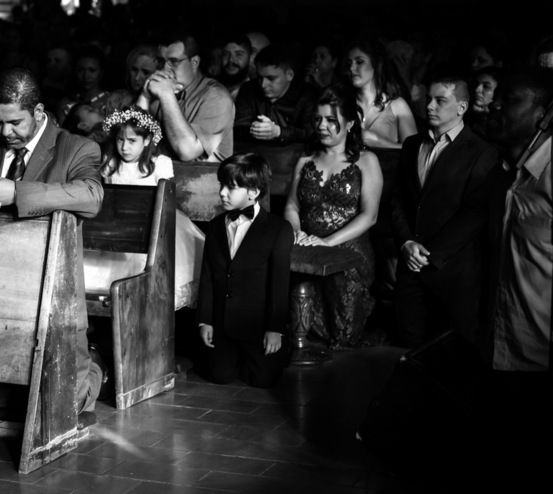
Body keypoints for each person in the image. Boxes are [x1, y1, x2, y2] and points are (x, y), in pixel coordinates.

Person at [0, 68, 105, 426]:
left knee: (62, 403)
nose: (4, 132)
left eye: (14, 123)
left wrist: (15, 193)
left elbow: (91, 196)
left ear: (38, 112)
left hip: (50, 289)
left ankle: (95, 367)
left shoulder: (76, 147)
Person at [390, 72, 498, 347]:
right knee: (408, 350)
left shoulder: (482, 152)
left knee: (453, 355)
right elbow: (398, 199)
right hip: (410, 267)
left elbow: (475, 213)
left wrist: (430, 255)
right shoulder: (412, 144)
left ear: (462, 107)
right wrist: (406, 243)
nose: (429, 106)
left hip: (455, 273)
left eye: (440, 101)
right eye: (429, 99)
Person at [284, 87, 383, 347]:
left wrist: (328, 242)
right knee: (297, 322)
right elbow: (292, 205)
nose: (321, 126)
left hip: (350, 254)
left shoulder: (366, 161)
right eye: (318, 119)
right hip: (307, 249)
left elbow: (370, 216)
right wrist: (296, 232)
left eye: (330, 120)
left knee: (343, 334)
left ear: (350, 123)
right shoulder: (305, 160)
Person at [83, 109, 205, 311]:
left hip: (152, 225)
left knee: (146, 263)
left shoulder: (159, 164)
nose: (124, 147)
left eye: (132, 141)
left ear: (147, 140)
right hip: (118, 227)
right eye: (120, 140)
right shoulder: (111, 164)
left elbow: (167, 200)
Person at [197, 153, 293, 388]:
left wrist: (275, 329)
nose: (222, 192)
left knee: (263, 381)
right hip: (222, 324)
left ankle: (274, 353)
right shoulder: (215, 226)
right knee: (218, 376)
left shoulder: (278, 229)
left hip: (257, 326)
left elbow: (279, 283)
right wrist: (205, 321)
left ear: (253, 192)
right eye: (221, 185)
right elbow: (207, 277)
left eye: (231, 187)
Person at [482, 67, 553, 378]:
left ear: (544, 115)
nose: (493, 105)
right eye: (495, 97)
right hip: (500, 349)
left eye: (509, 99)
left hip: (541, 359)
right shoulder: (503, 174)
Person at [137, 31, 235, 162]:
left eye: (174, 61)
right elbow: (133, 142)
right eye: (161, 61)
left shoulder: (217, 98)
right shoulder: (160, 89)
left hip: (203, 175)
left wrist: (166, 95)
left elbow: (187, 151)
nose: (165, 68)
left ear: (194, 62)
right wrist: (144, 97)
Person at [233, 45, 317, 145]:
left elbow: (312, 135)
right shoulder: (248, 89)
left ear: (289, 75)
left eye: (271, 78)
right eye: (260, 77)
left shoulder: (307, 95)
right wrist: (258, 130)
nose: (263, 84)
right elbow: (237, 129)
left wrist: (279, 132)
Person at [345, 41, 417, 149]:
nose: (352, 68)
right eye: (349, 63)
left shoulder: (397, 105)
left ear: (376, 64)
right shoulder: (343, 103)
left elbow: (414, 150)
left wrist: (380, 142)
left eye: (359, 62)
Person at [468, 66, 501, 137]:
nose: (477, 89)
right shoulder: (462, 111)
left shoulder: (499, 123)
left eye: (486, 86)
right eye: (475, 84)